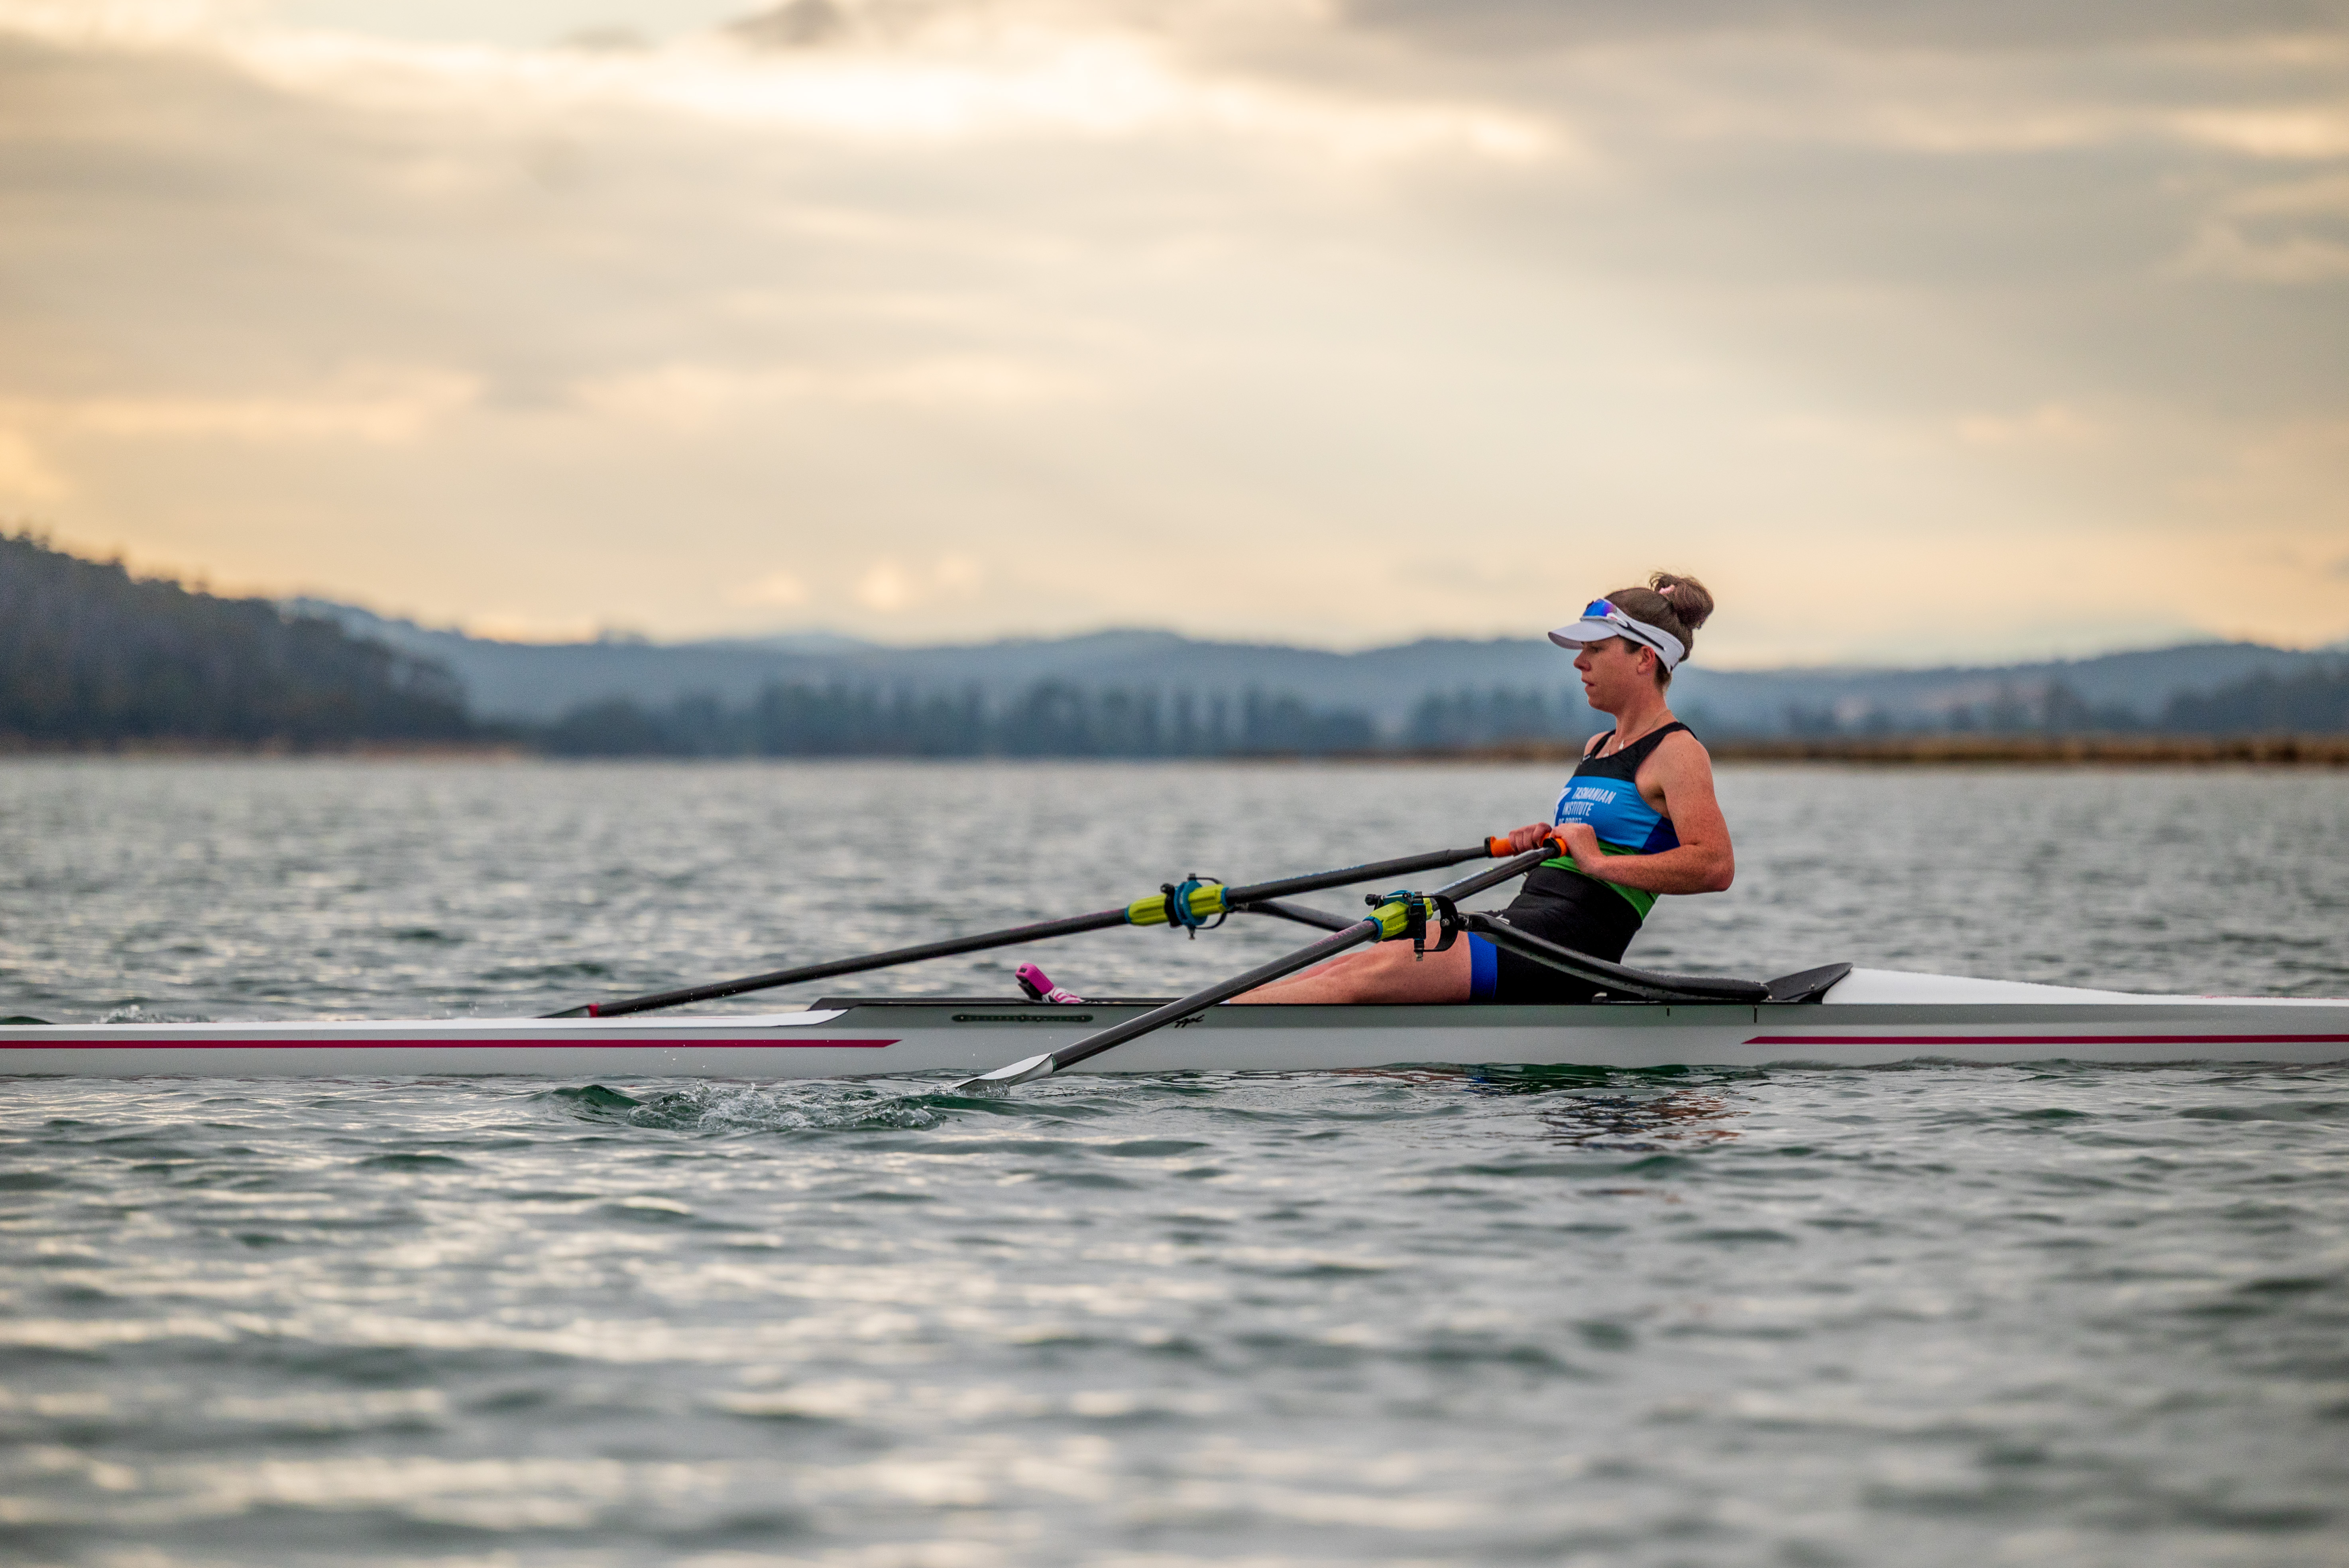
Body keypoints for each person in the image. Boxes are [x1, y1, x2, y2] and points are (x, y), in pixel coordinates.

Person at [1233, 572, 1733, 1005]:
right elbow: (1595, 837)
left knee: (1373, 973)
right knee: (1365, 959)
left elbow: (1714, 865)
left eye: (1595, 650)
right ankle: (1228, 1014)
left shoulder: (1676, 751)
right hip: (1527, 922)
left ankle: (1206, 1033)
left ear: (1644, 658)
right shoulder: (1598, 744)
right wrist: (1547, 839)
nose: (1579, 663)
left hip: (1571, 951)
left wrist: (1597, 862)